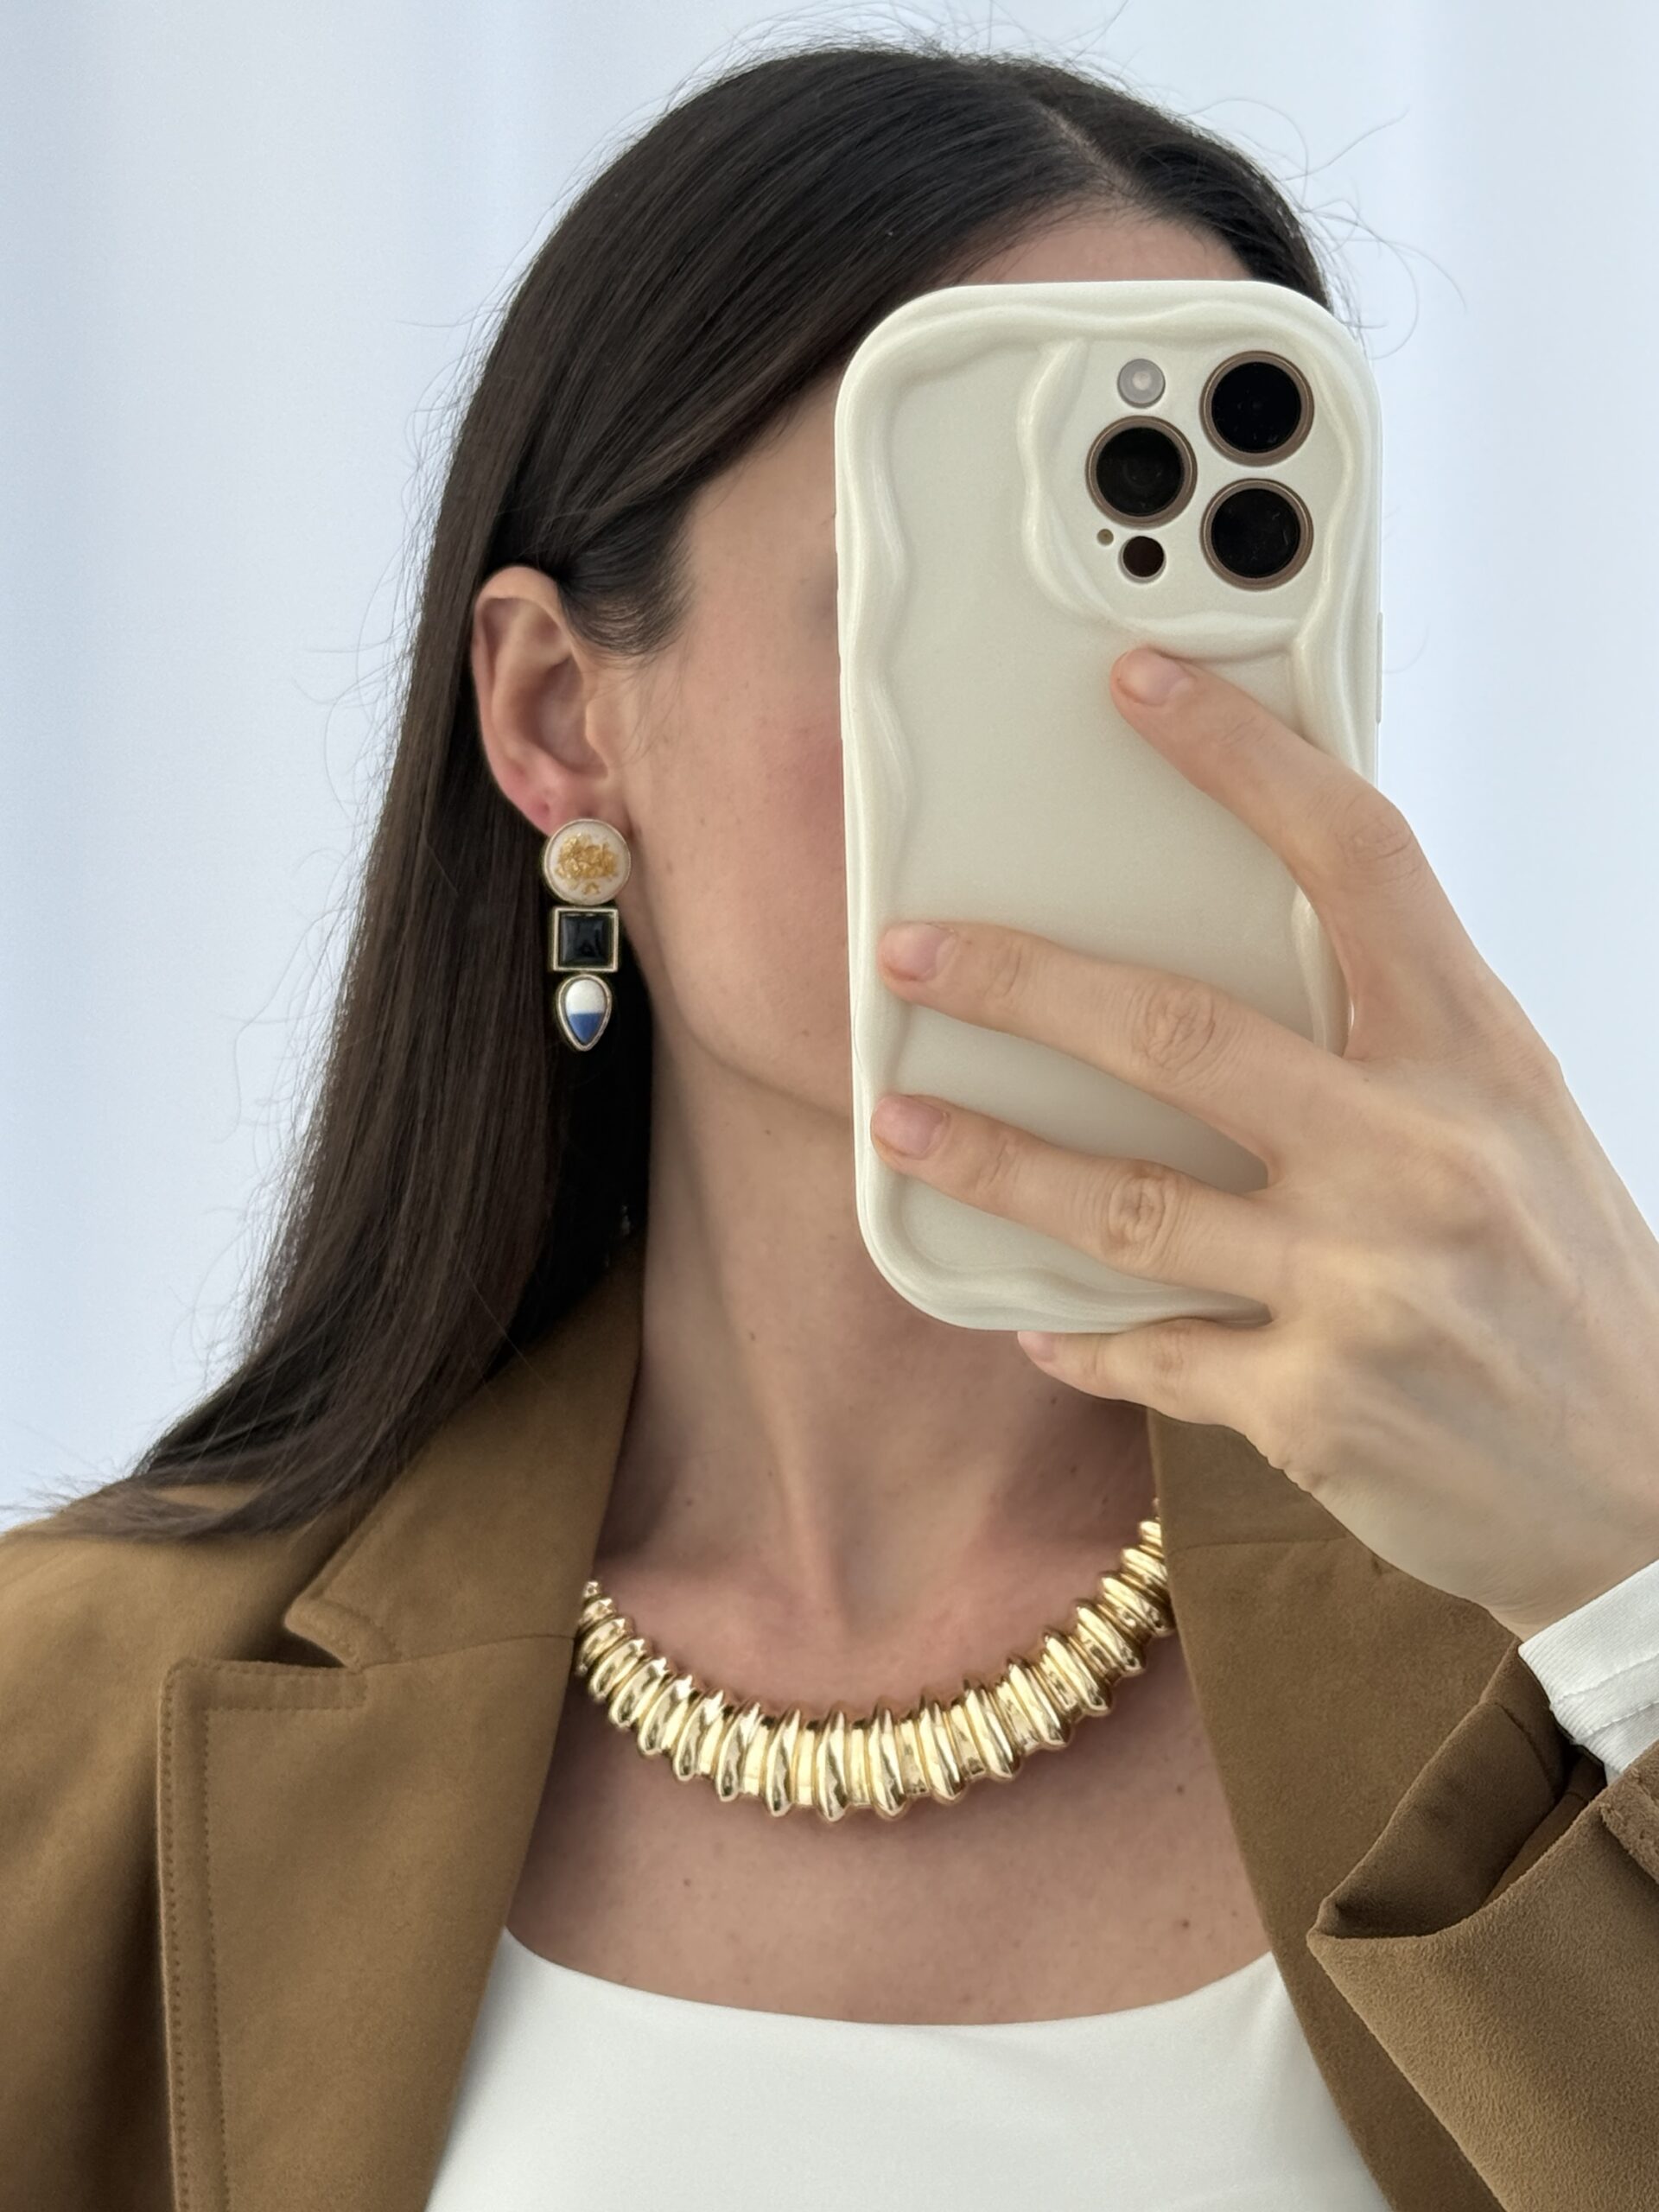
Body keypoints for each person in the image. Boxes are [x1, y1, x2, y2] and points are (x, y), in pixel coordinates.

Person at [5, 36, 1659, 2212]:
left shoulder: (1564, 1645)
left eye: (1203, 602)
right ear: (557, 714)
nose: (1124, 724)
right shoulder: (74, 1723)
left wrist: (1633, 1569)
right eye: (943, 608)